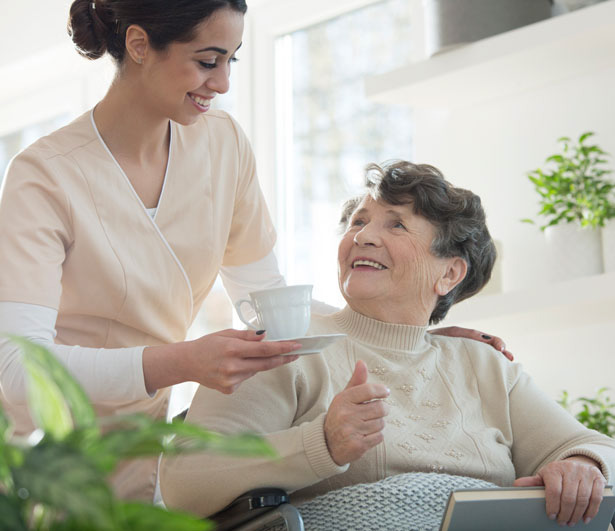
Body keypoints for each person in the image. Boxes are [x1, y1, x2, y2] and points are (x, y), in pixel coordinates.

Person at [0, 0, 508, 502]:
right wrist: (181, 362)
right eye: (207, 61)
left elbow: (272, 305)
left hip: (143, 447)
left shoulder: (221, 145)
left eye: (231, 60)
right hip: (40, 459)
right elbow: (17, 369)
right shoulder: (45, 176)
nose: (221, 83)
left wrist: (402, 333)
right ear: (138, 45)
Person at [161, 160, 615, 528]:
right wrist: (321, 444)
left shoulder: (486, 365)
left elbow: (592, 446)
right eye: (359, 222)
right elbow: (183, 483)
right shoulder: (283, 349)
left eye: (395, 225)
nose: (363, 235)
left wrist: (581, 464)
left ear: (450, 273)